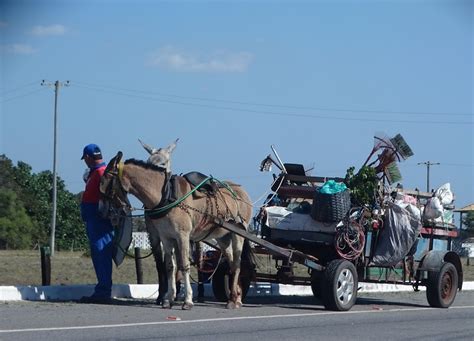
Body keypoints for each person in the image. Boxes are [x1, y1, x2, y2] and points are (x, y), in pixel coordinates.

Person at [79, 143, 114, 304]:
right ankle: (102, 289)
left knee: (101, 254)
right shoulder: (98, 172)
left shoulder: (101, 173)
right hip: (95, 220)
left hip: (99, 220)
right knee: (99, 254)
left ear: (87, 157)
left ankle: (103, 291)